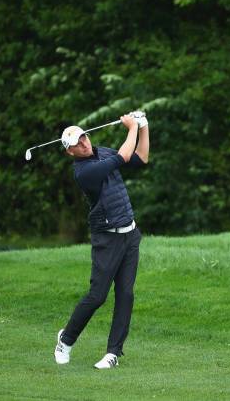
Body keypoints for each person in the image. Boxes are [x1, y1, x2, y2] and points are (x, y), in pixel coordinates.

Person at [54, 111, 149, 369]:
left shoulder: (103, 151)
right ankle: (66, 339)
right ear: (70, 152)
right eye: (76, 144)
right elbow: (124, 156)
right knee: (97, 296)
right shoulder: (84, 172)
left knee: (126, 294)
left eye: (83, 137)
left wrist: (143, 127)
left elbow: (140, 158)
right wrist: (131, 127)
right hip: (107, 239)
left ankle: (113, 353)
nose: (83, 143)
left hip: (130, 234)